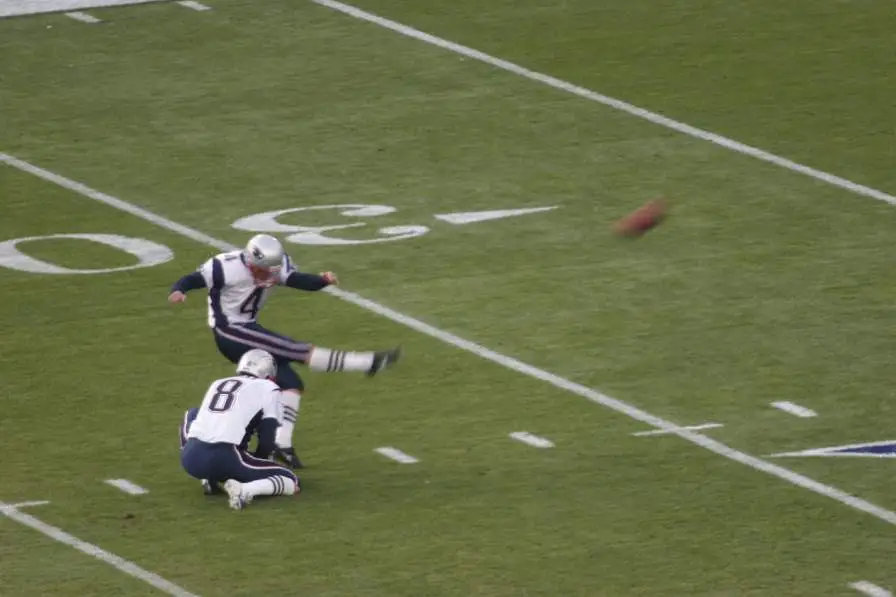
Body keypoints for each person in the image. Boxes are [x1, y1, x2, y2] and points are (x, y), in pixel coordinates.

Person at [168, 233, 400, 469]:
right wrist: (179, 289)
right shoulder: (225, 266)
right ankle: (365, 363)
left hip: (249, 326)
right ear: (250, 261)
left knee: (291, 383)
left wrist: (321, 281)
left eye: (272, 271)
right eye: (263, 271)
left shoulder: (276, 266)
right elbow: (194, 278)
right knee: (293, 349)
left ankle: (282, 443)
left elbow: (296, 280)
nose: (269, 276)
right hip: (229, 330)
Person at [180, 349, 300, 510]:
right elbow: (268, 436)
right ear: (268, 373)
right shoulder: (269, 387)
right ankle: (244, 491)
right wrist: (260, 459)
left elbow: (192, 415)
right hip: (223, 456)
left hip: (190, 457)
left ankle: (209, 478)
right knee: (291, 479)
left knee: (193, 413)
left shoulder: (218, 382)